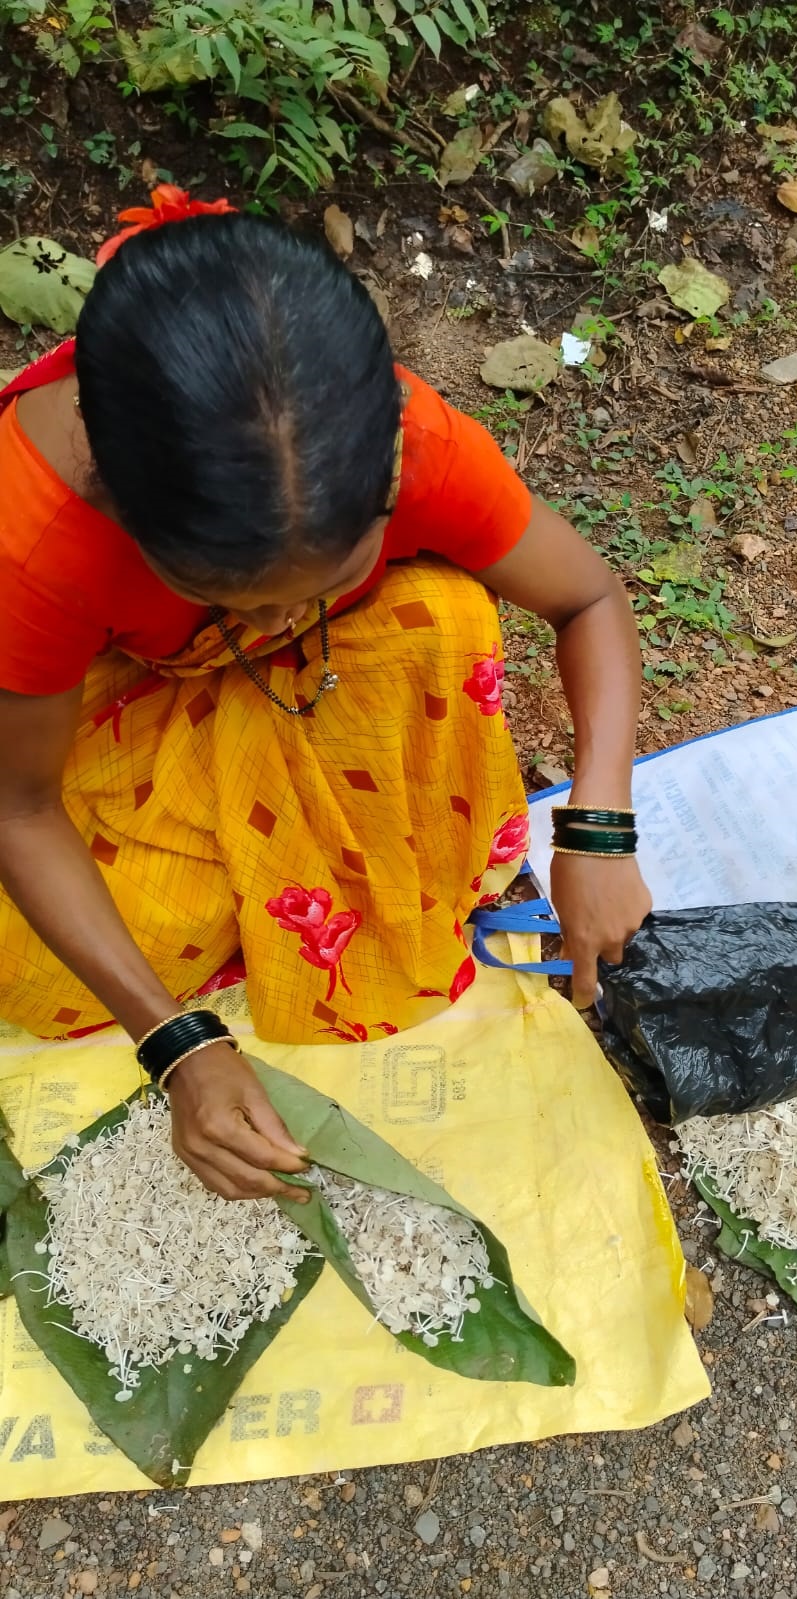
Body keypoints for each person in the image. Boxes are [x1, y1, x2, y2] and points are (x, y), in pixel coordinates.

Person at [0, 186, 651, 1203]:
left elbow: (586, 598)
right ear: (118, 505)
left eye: (327, 580)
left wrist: (598, 826)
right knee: (39, 979)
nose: (268, 634)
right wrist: (174, 1043)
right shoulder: (33, 536)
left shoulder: (412, 444)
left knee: (442, 621)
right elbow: (19, 806)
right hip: (123, 698)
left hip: (339, 674)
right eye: (227, 600)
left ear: (387, 481)